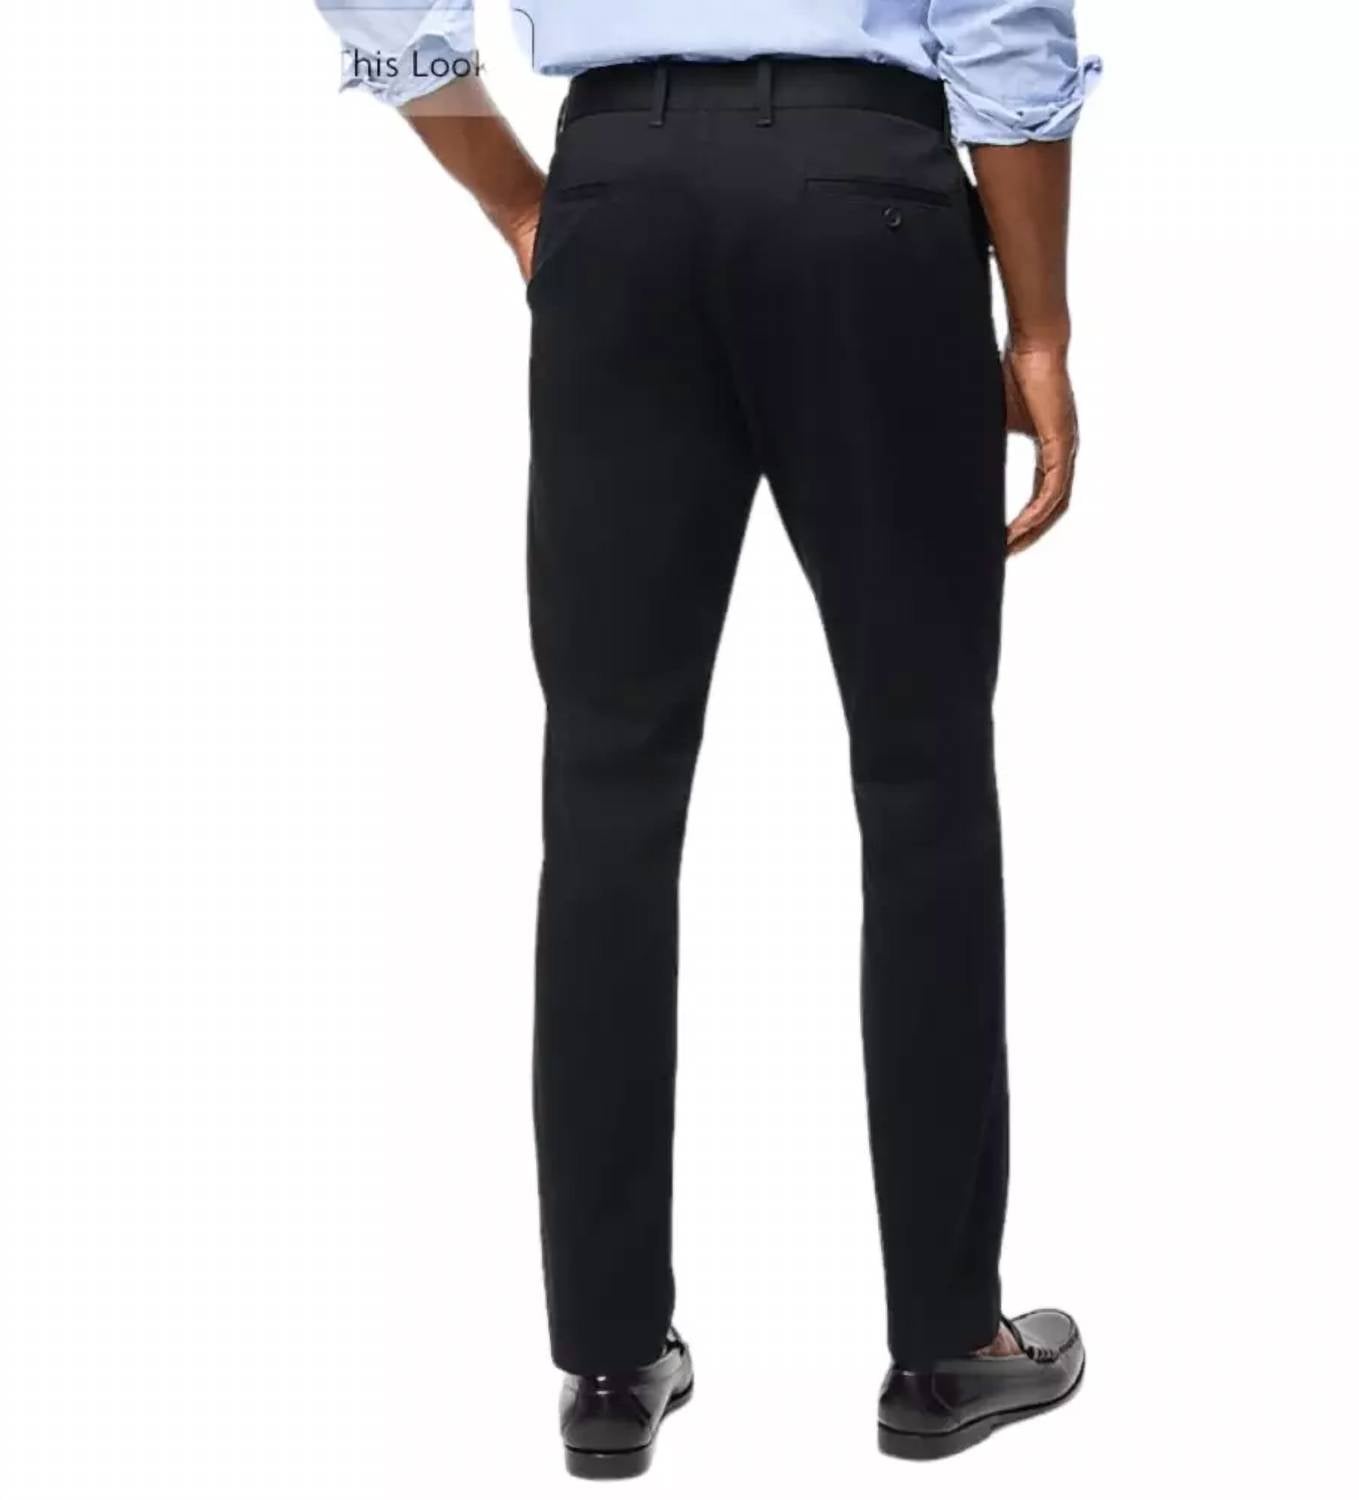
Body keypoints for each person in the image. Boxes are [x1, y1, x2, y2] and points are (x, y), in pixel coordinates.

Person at [316, 0, 1098, 1477]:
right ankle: (947, 1343)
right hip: (868, 197)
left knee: (605, 793)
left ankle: (610, 1360)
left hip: (616, 199)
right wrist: (1041, 322)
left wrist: (519, 199)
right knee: (924, 774)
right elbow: (998, 20)